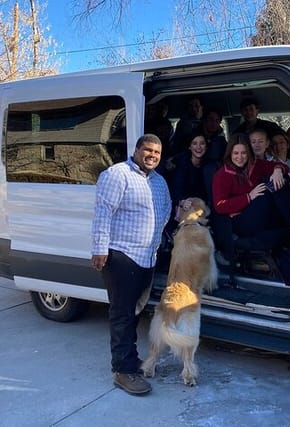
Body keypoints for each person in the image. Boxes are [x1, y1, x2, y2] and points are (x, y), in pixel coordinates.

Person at [91, 134, 172, 395]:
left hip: (147, 256)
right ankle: (123, 371)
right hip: (121, 255)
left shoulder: (159, 182)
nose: (152, 155)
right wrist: (100, 249)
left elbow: (166, 209)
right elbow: (103, 212)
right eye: (147, 150)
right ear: (136, 150)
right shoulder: (117, 174)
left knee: (134, 312)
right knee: (122, 314)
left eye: (157, 152)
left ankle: (131, 359)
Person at [211, 133, 290, 268]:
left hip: (259, 214)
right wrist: (248, 197)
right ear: (230, 154)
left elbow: (278, 165)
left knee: (276, 180)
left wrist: (278, 170)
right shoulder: (222, 175)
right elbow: (220, 206)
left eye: (244, 153)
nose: (240, 157)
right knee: (265, 190)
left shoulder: (255, 165)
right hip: (239, 220)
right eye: (236, 153)